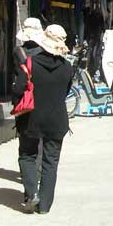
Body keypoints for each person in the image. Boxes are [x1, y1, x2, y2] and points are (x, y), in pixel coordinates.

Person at [12, 24, 73, 214]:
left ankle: (32, 194)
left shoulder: (29, 64)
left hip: (31, 118)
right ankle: (45, 206)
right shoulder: (67, 67)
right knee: (50, 162)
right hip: (57, 119)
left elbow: (17, 90)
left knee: (27, 155)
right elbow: (66, 92)